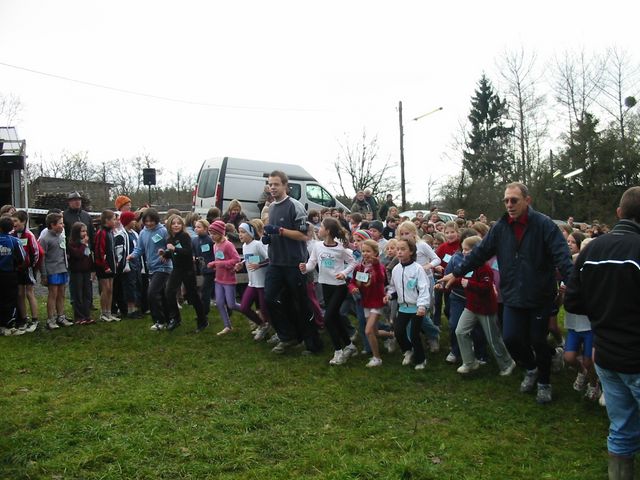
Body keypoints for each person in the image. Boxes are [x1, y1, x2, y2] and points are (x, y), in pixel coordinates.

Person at [443, 182, 573, 404]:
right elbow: (480, 253)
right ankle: (531, 367)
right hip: (512, 294)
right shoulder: (501, 227)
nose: (509, 205)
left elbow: (562, 255)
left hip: (539, 294)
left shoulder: (543, 225)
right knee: (512, 338)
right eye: (506, 200)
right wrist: (456, 272)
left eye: (514, 200)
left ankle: (544, 381)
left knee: (537, 340)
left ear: (527, 200)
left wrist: (573, 282)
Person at [564, 186, 640, 480]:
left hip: (606, 352)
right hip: (629, 354)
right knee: (621, 428)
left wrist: (603, 311)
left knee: (620, 427)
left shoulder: (592, 249)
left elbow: (573, 300)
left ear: (619, 213)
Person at [263, 170, 322, 354]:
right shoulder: (271, 207)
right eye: (270, 184)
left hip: (294, 263)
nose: (272, 187)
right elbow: (274, 232)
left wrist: (279, 231)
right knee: (271, 299)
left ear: (285, 185)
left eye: (276, 184)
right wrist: (268, 238)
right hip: (275, 262)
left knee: (301, 303)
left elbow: (304, 235)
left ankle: (313, 343)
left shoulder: (294, 206)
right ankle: (288, 336)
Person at [453, 235, 515, 376]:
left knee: (493, 338)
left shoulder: (484, 268)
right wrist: (446, 283)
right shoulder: (467, 266)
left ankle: (507, 363)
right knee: (460, 331)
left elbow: (486, 287)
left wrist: (469, 284)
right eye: (462, 249)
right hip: (471, 306)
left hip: (485, 308)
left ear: (476, 251)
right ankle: (469, 362)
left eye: (467, 249)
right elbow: (461, 280)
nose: (463, 252)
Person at [300, 217, 356, 365]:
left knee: (328, 318)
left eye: (322, 227)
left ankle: (338, 351)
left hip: (339, 286)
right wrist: (305, 268)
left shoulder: (341, 248)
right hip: (325, 286)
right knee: (335, 317)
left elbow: (353, 262)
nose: (318, 229)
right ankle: (350, 346)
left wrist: (344, 273)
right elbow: (312, 263)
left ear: (328, 231)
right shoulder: (318, 246)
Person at [384, 237, 430, 370]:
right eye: (398, 249)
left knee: (414, 335)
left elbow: (423, 288)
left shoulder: (418, 269)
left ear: (411, 251)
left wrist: (422, 306)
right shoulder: (396, 269)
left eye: (403, 249)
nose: (399, 252)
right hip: (403, 307)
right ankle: (408, 351)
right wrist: (389, 296)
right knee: (398, 332)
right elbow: (394, 287)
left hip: (417, 308)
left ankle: (421, 360)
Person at [128, 208, 172, 331]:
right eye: (146, 221)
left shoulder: (163, 231)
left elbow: (170, 246)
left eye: (151, 221)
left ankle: (159, 320)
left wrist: (166, 254)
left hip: (163, 267)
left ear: (156, 220)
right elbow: (139, 248)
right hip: (151, 267)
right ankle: (170, 319)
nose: (148, 224)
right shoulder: (143, 233)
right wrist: (132, 255)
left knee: (151, 293)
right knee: (162, 295)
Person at [162, 214, 207, 332]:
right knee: (169, 292)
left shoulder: (185, 236)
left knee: (192, 295)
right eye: (173, 223)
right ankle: (175, 318)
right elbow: (172, 253)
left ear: (182, 225)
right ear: (169, 225)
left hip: (187, 269)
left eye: (179, 223)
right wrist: (165, 254)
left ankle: (202, 321)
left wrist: (174, 249)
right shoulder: (169, 238)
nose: (176, 225)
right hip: (177, 269)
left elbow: (187, 252)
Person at [349, 239, 387, 367]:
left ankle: (377, 358)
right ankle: (393, 336)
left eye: (368, 251)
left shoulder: (379, 266)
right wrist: (353, 288)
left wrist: (375, 265)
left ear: (375, 252)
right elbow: (352, 281)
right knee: (375, 332)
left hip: (377, 302)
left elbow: (381, 279)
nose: (365, 254)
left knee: (368, 330)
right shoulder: (359, 267)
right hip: (365, 302)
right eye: (363, 251)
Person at [235, 221, 270, 341]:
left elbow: (269, 259)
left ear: (250, 233)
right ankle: (262, 325)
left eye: (243, 232)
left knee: (265, 311)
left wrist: (259, 265)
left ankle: (277, 332)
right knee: (244, 307)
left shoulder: (257, 244)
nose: (240, 235)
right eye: (239, 232)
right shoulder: (245, 246)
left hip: (262, 283)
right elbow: (250, 258)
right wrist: (241, 264)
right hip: (252, 283)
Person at [39, 212, 73, 330]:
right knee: (53, 294)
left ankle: (61, 316)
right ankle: (50, 319)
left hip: (62, 268)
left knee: (61, 294)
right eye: (60, 223)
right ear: (52, 225)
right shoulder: (44, 239)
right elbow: (42, 258)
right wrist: (44, 274)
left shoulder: (60, 236)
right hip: (52, 270)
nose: (63, 225)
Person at [207, 220, 241, 335]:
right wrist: (213, 264)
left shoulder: (228, 245)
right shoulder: (215, 245)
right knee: (220, 303)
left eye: (214, 233)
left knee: (231, 304)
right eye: (210, 233)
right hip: (218, 279)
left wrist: (220, 264)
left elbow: (236, 259)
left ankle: (249, 312)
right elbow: (218, 261)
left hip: (228, 280)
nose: (212, 236)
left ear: (221, 233)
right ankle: (227, 326)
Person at [11, 210, 41, 332]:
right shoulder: (12, 234)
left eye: (15, 221)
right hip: (17, 269)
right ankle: (23, 319)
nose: (13, 223)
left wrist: (32, 266)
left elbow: (36, 252)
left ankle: (35, 319)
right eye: (12, 221)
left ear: (23, 222)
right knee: (19, 294)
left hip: (28, 269)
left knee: (29, 293)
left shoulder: (29, 235)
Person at [0, 216, 26, 336]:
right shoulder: (15, 241)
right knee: (10, 299)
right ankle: (8, 325)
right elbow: (22, 257)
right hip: (9, 274)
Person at [67, 221, 95, 325]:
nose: (85, 233)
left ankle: (87, 315)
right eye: (82, 231)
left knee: (87, 294)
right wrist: (83, 245)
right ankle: (79, 316)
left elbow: (89, 256)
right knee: (77, 294)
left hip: (86, 271)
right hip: (76, 272)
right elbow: (77, 254)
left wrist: (93, 269)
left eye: (85, 231)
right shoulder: (71, 244)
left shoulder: (86, 243)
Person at [94, 210, 118, 323]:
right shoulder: (101, 233)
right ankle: (103, 313)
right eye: (113, 219)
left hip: (111, 265)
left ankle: (109, 312)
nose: (115, 221)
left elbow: (112, 250)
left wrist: (115, 262)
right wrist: (104, 266)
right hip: (103, 267)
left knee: (111, 289)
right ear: (107, 220)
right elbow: (99, 250)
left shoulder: (110, 232)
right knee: (105, 289)